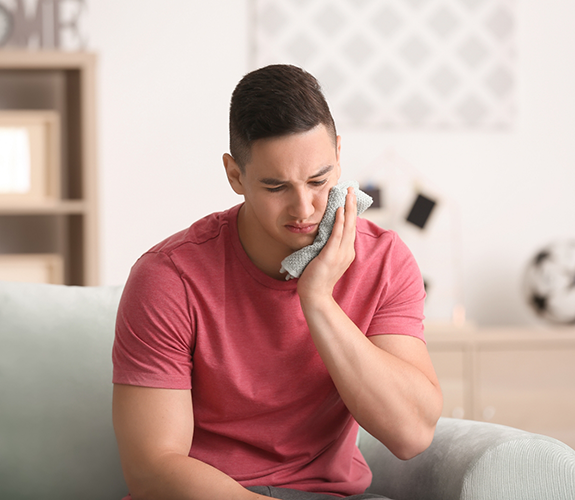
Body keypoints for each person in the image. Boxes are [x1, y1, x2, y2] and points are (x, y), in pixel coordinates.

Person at [112, 64, 443, 500]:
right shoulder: (168, 277)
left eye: (319, 180)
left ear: (339, 155)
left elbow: (411, 435)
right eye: (276, 187)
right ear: (235, 176)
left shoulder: (383, 259)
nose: (303, 208)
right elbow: (152, 468)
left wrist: (318, 300)